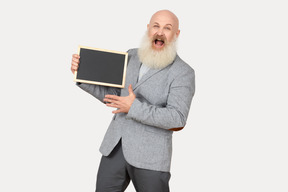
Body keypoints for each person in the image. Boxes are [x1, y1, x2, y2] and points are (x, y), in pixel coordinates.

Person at [71, 9, 195, 192]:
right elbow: (114, 96)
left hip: (151, 156)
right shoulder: (131, 55)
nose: (160, 32)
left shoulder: (183, 72)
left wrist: (133, 107)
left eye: (167, 28)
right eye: (156, 26)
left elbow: (177, 118)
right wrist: (81, 74)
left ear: (176, 34)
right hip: (115, 147)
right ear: (148, 29)